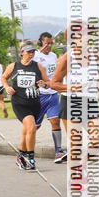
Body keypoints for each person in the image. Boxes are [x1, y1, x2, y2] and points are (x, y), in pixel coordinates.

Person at [51, 27, 99, 148]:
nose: (85, 38)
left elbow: (94, 76)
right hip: (71, 102)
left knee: (98, 141)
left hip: (90, 102)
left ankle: (83, 159)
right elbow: (54, 83)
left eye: (87, 34)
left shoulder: (94, 55)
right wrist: (72, 87)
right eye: (81, 35)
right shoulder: (67, 58)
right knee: (77, 144)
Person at [1, 41, 50, 171]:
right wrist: (7, 87)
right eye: (28, 52)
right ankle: (30, 158)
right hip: (19, 103)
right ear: (22, 52)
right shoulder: (14, 66)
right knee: (31, 127)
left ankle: (21, 156)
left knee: (27, 130)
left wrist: (44, 84)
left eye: (33, 52)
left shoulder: (38, 66)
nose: (31, 54)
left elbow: (48, 82)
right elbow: (3, 78)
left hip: (35, 103)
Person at [34, 33, 66, 162]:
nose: (49, 45)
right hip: (40, 96)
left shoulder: (53, 56)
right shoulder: (35, 55)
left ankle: (58, 152)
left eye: (51, 43)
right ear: (40, 43)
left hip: (53, 94)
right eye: (47, 43)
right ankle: (25, 150)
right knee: (35, 126)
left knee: (55, 121)